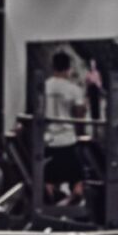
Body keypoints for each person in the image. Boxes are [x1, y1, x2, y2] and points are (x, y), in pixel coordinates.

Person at [43, 50, 86, 202]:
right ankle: (72, 201)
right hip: (67, 140)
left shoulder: (44, 87)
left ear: (53, 66)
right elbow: (80, 116)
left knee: (48, 179)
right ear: (68, 67)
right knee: (78, 181)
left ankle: (53, 203)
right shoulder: (74, 89)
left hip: (48, 141)